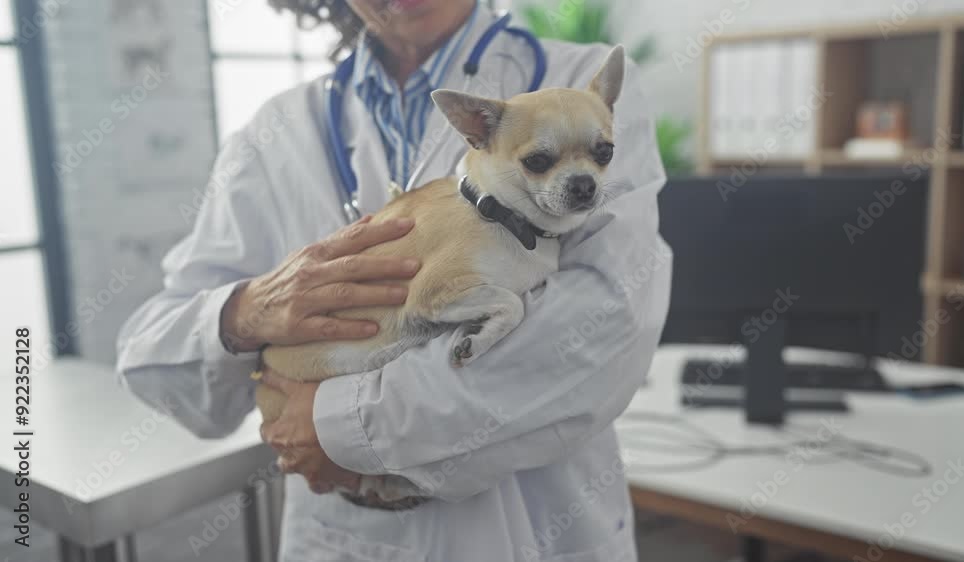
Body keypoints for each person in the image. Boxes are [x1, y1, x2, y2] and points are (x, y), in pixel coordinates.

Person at [116, 0, 671, 560]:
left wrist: (338, 425)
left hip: (535, 530)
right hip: (342, 534)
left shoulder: (581, 87)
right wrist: (245, 313)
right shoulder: (273, 134)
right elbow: (151, 356)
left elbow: (603, 331)